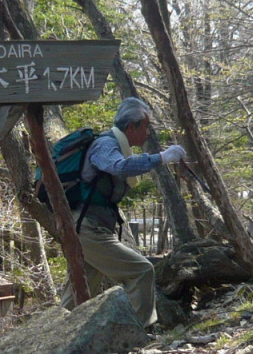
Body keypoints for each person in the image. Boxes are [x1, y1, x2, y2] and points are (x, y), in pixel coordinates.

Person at [63, 97, 186, 327]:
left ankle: (56, 339)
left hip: (89, 228)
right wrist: (161, 158)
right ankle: (139, 334)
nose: (148, 133)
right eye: (146, 127)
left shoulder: (116, 145)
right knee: (141, 271)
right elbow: (118, 167)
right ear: (132, 127)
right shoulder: (106, 145)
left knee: (77, 292)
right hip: (88, 230)